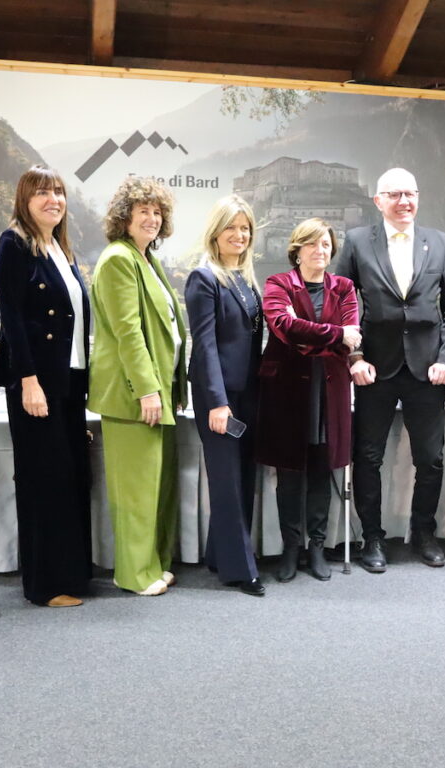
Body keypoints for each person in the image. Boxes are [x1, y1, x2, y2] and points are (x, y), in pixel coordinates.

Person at [333, 167, 445, 572]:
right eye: (394, 195)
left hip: (428, 371)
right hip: (374, 368)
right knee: (368, 456)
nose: (404, 202)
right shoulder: (356, 242)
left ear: (419, 198)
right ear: (379, 201)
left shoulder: (439, 243)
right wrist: (354, 357)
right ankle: (372, 537)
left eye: (410, 194)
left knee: (431, 459)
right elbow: (340, 302)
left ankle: (423, 533)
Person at [0, 165, 93, 607]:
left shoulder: (61, 248)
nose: (53, 199)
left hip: (68, 382)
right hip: (37, 383)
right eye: (42, 193)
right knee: (43, 481)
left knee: (70, 478)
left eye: (58, 192)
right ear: (24, 199)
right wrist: (27, 380)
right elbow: (12, 318)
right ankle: (44, 585)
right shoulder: (14, 243)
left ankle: (71, 575)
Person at [88, 176, 188, 597]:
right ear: (123, 218)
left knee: (156, 489)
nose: (151, 217)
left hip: (159, 392)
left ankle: (153, 564)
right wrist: (147, 390)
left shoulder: (146, 259)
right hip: (134, 396)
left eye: (156, 211)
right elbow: (128, 331)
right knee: (135, 493)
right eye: (142, 210)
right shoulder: (117, 259)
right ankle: (132, 573)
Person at [255, 218, 359, 582]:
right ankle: (290, 547)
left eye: (327, 245)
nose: (321, 251)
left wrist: (323, 338)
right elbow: (283, 327)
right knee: (290, 473)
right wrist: (335, 336)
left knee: (321, 468)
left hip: (328, 390)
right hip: (287, 391)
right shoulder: (277, 283)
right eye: (313, 245)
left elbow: (353, 335)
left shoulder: (344, 287)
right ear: (296, 250)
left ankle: (316, 547)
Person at [185, 194, 265, 596]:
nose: (239, 234)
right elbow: (205, 346)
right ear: (215, 233)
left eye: (245, 228)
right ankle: (240, 569)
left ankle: (220, 554)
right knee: (228, 481)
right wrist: (218, 402)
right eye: (231, 227)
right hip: (219, 398)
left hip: (248, 393)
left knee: (243, 477)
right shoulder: (204, 278)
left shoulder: (247, 279)